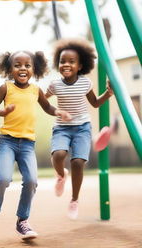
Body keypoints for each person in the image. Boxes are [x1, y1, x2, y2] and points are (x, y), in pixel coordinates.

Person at [0, 50, 72, 240]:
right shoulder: (6, 88)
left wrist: (58, 111)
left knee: (31, 181)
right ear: (9, 69)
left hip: (28, 144)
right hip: (8, 142)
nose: (22, 68)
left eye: (27, 66)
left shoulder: (36, 90)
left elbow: (47, 107)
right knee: (3, 179)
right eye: (17, 65)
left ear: (34, 69)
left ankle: (22, 221)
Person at [45, 38, 113, 220]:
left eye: (71, 61)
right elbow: (42, 100)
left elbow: (95, 103)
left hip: (82, 128)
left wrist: (108, 93)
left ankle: (74, 199)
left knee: (77, 162)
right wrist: (54, 110)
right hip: (61, 128)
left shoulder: (85, 83)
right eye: (62, 61)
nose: (66, 64)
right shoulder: (54, 85)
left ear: (80, 65)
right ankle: (61, 175)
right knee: (58, 155)